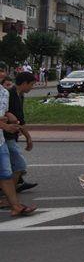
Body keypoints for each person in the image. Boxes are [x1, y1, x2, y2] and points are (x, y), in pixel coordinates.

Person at [0, 64, 35, 216]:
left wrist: (8, 117)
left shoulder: (5, 93)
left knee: (6, 173)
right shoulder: (10, 93)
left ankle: (14, 205)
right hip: (5, 135)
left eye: (4, 71)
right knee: (14, 168)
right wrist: (6, 124)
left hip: (2, 139)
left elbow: (8, 113)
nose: (2, 74)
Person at [5, 72, 37, 193]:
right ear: (24, 83)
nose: (32, 87)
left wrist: (27, 136)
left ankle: (17, 183)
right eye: (31, 84)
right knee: (19, 164)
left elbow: (20, 119)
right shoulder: (9, 94)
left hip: (12, 134)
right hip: (6, 135)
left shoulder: (20, 95)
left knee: (11, 163)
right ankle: (10, 193)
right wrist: (28, 137)